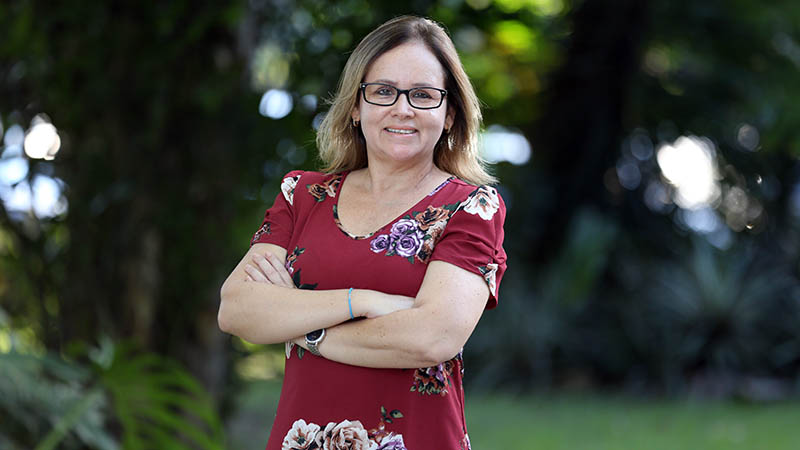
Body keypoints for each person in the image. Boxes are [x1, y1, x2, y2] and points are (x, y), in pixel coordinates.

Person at [218, 15, 507, 450]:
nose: (402, 108)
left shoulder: (470, 208)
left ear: (450, 114)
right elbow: (237, 310)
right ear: (356, 106)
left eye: (424, 95)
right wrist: (364, 301)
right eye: (383, 91)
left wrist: (299, 325)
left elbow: (432, 338)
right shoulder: (302, 195)